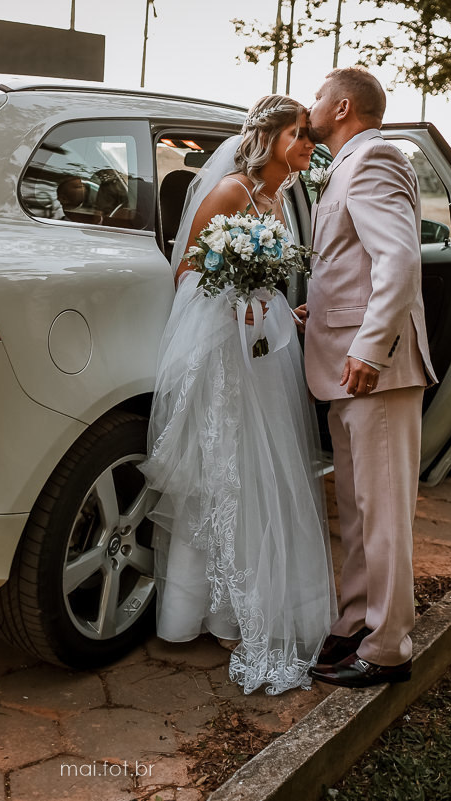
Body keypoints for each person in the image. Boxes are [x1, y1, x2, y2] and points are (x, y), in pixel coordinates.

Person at [141, 95, 337, 695]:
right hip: (225, 348)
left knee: (265, 468)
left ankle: (243, 608)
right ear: (271, 137)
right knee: (223, 469)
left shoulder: (280, 199)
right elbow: (186, 272)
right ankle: (206, 610)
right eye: (301, 133)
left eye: (309, 134)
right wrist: (238, 287)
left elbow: (270, 280)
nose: (309, 143)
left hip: (266, 345)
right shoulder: (229, 191)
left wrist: (280, 305)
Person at [293, 67, 437, 688]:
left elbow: (399, 260)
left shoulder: (375, 157)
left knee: (381, 515)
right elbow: (352, 264)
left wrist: (371, 351)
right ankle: (356, 622)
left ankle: (387, 649)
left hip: (372, 370)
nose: (311, 103)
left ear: (343, 105)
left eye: (319, 95)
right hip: (346, 363)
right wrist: (316, 312)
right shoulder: (344, 164)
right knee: (355, 510)